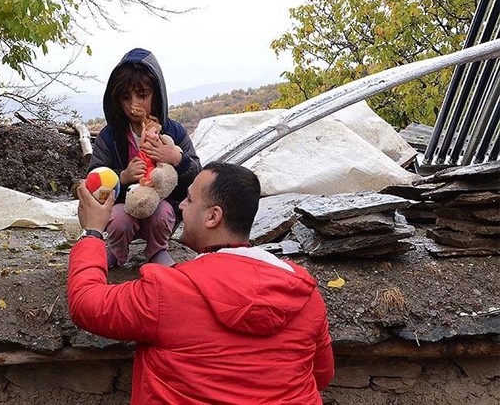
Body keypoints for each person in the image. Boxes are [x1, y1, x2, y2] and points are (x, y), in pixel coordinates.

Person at [68, 162, 335, 404]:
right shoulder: (304, 292)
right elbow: (321, 375)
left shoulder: (168, 291)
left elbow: (85, 302)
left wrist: (92, 232)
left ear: (212, 217)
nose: (181, 206)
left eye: (189, 199)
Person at [88, 48, 201, 268]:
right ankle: (116, 251)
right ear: (116, 100)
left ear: (156, 94)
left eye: (142, 95)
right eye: (126, 97)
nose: (134, 106)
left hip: (162, 205)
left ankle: (157, 250)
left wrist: (176, 159)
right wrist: (122, 177)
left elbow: (197, 178)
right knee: (119, 218)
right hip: (123, 207)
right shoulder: (110, 136)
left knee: (163, 213)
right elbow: (94, 180)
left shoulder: (174, 132)